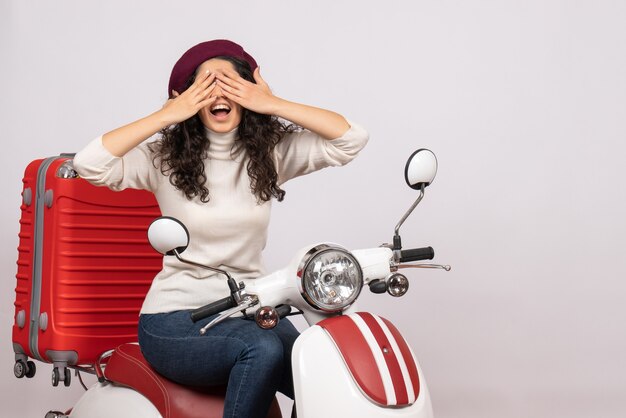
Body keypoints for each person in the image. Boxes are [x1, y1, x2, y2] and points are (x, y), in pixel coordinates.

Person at [73, 39, 368, 418]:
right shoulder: (163, 160)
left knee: (318, 367)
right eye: (206, 84)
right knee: (261, 349)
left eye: (231, 82)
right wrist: (167, 115)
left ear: (248, 92)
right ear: (189, 98)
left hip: (250, 308)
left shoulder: (270, 154)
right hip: (176, 318)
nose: (219, 92)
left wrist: (274, 103)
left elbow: (351, 139)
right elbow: (89, 163)